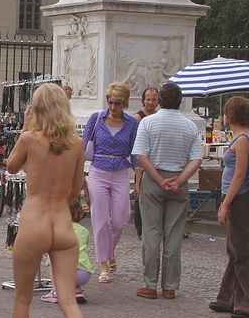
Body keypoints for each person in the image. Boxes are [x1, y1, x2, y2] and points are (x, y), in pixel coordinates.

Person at [0, 83, 92, 318]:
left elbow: (11, 167)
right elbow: (75, 189)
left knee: (23, 298)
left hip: (34, 223)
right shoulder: (76, 144)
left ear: (36, 109)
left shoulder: (29, 139)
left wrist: (26, 128)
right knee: (69, 301)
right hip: (62, 225)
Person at [132, 83, 201, 299]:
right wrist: (179, 180)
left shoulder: (148, 123)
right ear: (180, 101)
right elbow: (196, 159)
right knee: (174, 235)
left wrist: (159, 180)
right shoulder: (190, 126)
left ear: (159, 100)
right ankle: (170, 285)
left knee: (151, 232)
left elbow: (141, 156)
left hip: (154, 179)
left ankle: (150, 283)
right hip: (179, 179)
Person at [209, 97, 249, 318]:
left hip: (239, 199)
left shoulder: (242, 140)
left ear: (230, 115)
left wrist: (225, 204)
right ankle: (227, 297)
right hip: (237, 197)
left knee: (242, 250)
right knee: (234, 248)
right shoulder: (243, 137)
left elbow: (240, 175)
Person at [81, 82, 138, 283]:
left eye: (118, 103)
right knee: (101, 220)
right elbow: (83, 148)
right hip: (98, 171)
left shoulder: (132, 124)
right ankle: (104, 263)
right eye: (111, 102)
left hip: (121, 172)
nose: (113, 107)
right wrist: (80, 176)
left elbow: (135, 153)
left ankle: (109, 251)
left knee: (121, 218)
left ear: (125, 103)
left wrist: (138, 180)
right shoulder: (96, 119)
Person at [41, 197, 94, 304]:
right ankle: (76, 290)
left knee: (52, 263)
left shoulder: (57, 229)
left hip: (66, 273)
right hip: (85, 273)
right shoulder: (84, 231)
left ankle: (56, 291)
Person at [132, 87, 159, 239]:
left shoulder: (158, 117)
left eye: (154, 99)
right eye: (148, 99)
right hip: (141, 162)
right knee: (140, 195)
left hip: (154, 161)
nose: (151, 102)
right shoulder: (137, 118)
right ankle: (141, 229)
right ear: (143, 100)